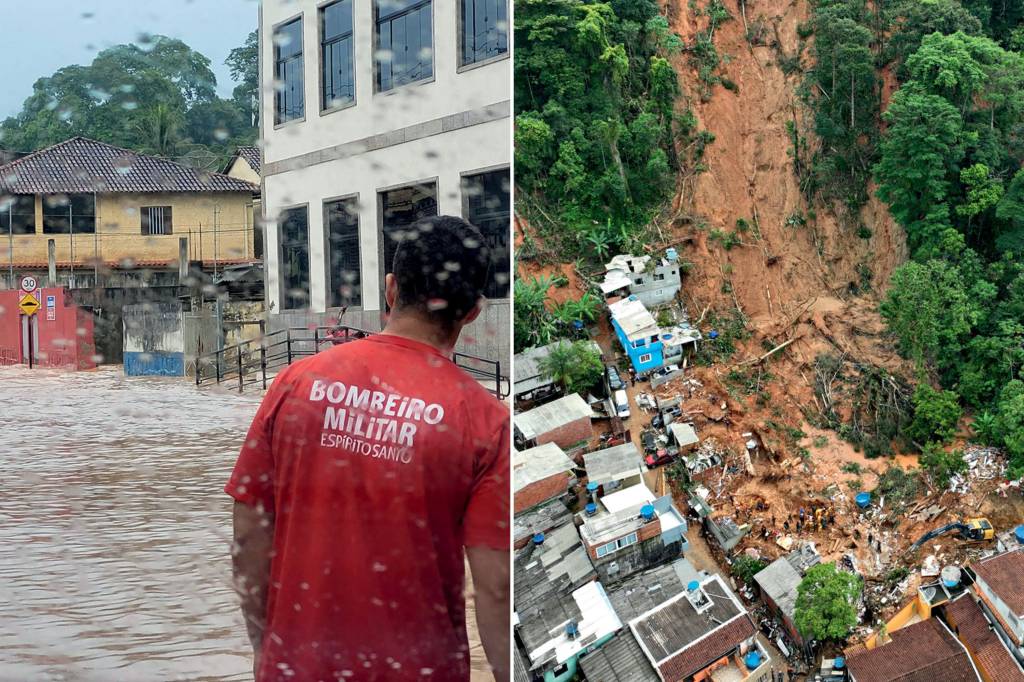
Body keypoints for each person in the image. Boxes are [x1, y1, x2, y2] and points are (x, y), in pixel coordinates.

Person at [226, 216, 510, 682]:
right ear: (474, 310)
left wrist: (264, 645)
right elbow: (496, 587)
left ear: (390, 288)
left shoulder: (296, 382)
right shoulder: (484, 421)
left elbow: (248, 534)